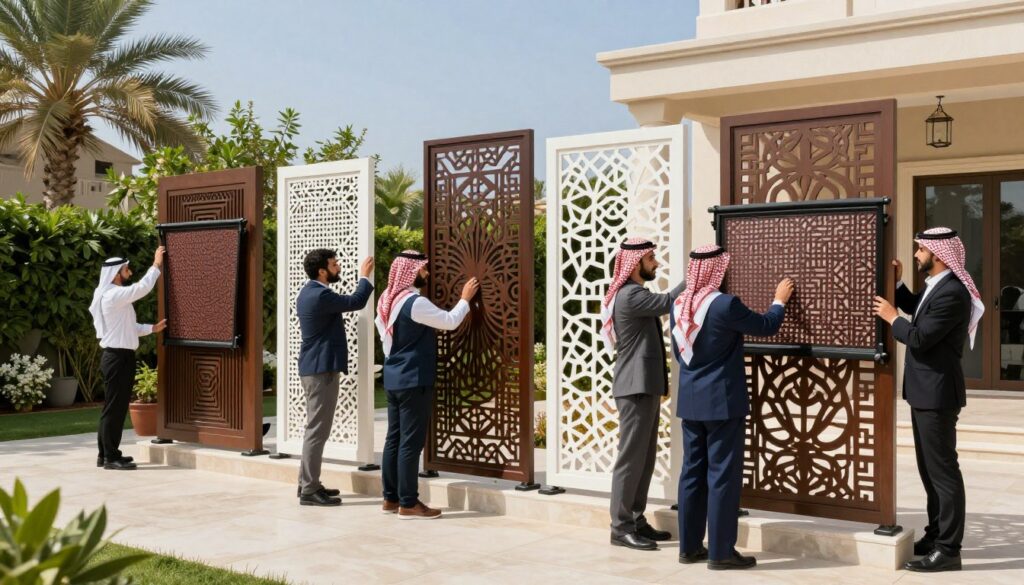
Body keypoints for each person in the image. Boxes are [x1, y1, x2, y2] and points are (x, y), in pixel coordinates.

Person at [670, 244, 793, 570]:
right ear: (718, 271)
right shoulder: (725, 305)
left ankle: (689, 547)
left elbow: (678, 353)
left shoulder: (679, 305)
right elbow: (767, 325)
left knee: (692, 474)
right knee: (722, 476)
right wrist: (779, 300)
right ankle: (721, 552)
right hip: (722, 404)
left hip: (691, 403)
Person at [873, 227, 983, 573]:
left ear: (938, 255)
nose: (917, 254)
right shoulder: (939, 287)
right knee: (928, 470)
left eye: (920, 250)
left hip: (937, 395)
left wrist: (892, 318)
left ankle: (949, 549)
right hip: (925, 393)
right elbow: (919, 309)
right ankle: (936, 535)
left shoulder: (953, 293)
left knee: (943, 472)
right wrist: (901, 286)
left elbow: (920, 336)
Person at [374, 251, 479, 520]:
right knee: (410, 442)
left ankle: (391, 498)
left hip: (394, 377)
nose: (427, 274)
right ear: (412, 271)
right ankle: (408, 502)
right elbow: (449, 322)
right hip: (413, 380)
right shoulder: (413, 303)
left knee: (394, 440)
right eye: (423, 269)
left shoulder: (386, 299)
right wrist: (465, 299)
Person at [600, 237, 687, 551]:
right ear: (635, 263)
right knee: (630, 460)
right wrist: (692, 278)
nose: (656, 263)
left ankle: (635, 520)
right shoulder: (630, 295)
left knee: (644, 458)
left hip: (643, 386)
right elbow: (668, 303)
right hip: (634, 387)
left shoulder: (634, 293)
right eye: (651, 258)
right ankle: (620, 527)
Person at [295, 249, 374, 506]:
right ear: (322, 271)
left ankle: (308, 484)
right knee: (317, 431)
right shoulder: (320, 295)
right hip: (320, 370)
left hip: (315, 368)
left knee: (314, 429)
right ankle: (309, 489)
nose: (338, 266)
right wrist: (365, 277)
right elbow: (355, 302)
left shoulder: (310, 292)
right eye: (334, 263)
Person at [89, 248, 167, 470]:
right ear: (116, 274)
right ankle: (110, 457)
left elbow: (127, 328)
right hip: (117, 359)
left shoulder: (113, 296)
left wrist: (151, 328)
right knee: (115, 408)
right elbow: (142, 288)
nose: (130, 272)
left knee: (113, 408)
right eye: (126, 269)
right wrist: (156, 264)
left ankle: (106, 454)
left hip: (118, 357)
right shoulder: (113, 295)